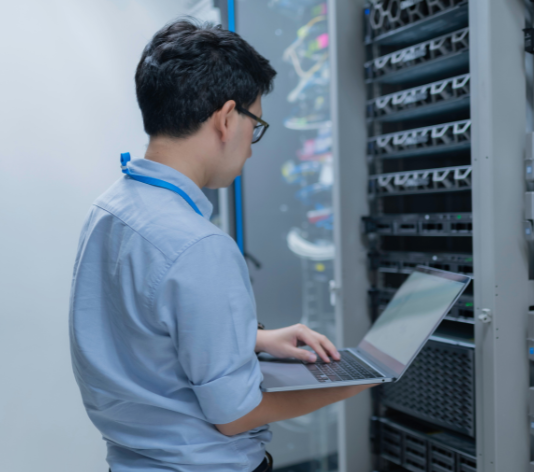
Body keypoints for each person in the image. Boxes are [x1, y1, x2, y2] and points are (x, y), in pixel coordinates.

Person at [69, 19, 370, 472]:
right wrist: (352, 384)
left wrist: (257, 339)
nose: (252, 146)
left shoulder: (108, 210)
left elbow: (138, 333)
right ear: (227, 118)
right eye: (257, 124)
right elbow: (236, 415)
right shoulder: (198, 246)